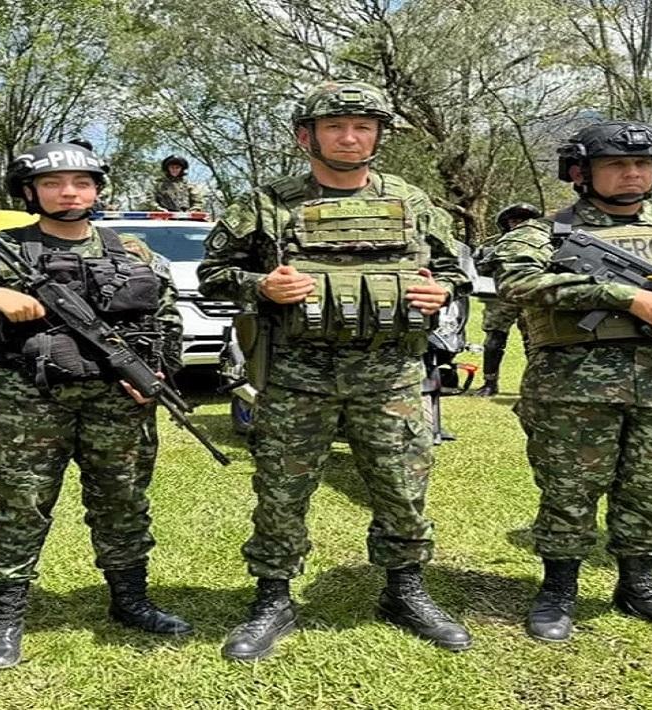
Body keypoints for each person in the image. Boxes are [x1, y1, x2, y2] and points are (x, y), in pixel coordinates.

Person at [199, 80, 473, 661]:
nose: (350, 137)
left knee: (402, 488)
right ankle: (273, 598)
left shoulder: (412, 200)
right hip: (298, 376)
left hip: (392, 375)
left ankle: (404, 590)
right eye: (335, 127)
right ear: (307, 137)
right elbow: (212, 274)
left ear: (378, 135)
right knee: (282, 492)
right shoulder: (267, 203)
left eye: (363, 127)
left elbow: (457, 272)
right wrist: (261, 285)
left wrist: (440, 290)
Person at [490, 120, 652, 643]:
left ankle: (641, 587)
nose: (632, 173)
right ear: (580, 173)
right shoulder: (543, 233)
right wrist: (623, 295)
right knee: (569, 492)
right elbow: (517, 280)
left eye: (643, 164)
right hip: (573, 393)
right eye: (616, 164)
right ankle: (558, 590)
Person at [0, 142, 192, 670]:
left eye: (80, 182)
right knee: (20, 506)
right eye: (53, 184)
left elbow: (167, 318)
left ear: (98, 189)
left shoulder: (135, 251)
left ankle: (130, 599)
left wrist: (159, 372)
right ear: (30, 192)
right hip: (28, 399)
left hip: (117, 402)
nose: (68, 192)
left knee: (122, 503)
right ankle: (6, 614)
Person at [471, 202, 542, 396]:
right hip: (500, 298)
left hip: (532, 296)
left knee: (535, 342)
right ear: (506, 223)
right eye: (515, 220)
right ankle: (489, 383)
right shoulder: (496, 243)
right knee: (493, 342)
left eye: (525, 220)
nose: (520, 224)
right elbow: (479, 267)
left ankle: (535, 386)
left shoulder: (545, 240)